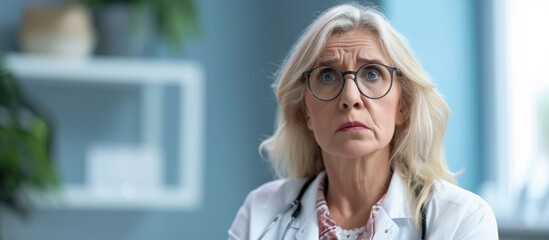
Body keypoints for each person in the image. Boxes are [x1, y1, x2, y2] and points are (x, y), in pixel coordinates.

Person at [228, 3, 498, 240]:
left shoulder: (463, 219)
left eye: (371, 74)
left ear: (402, 106)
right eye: (328, 76)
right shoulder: (261, 212)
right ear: (306, 112)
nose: (350, 98)